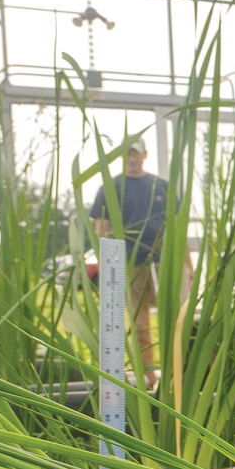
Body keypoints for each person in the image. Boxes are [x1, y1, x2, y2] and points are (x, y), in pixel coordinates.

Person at [90, 138, 169, 373]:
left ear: (144, 155)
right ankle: (148, 376)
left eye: (136, 154)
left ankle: (176, 371)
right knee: (139, 322)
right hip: (127, 263)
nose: (132, 159)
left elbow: (175, 226)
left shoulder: (161, 186)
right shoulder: (110, 187)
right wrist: (105, 265)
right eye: (127, 154)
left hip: (162, 261)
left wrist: (187, 265)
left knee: (172, 318)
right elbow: (101, 229)